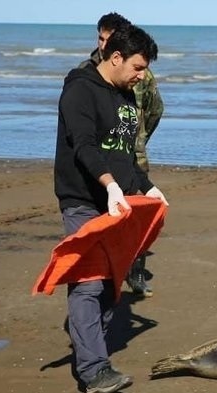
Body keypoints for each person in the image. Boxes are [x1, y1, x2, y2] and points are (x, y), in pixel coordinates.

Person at [55, 24, 167, 392]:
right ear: (115, 57)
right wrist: (111, 186)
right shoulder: (79, 90)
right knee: (87, 283)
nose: (142, 75)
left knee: (109, 284)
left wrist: (149, 188)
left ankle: (92, 347)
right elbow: (84, 146)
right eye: (137, 67)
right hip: (85, 201)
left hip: (118, 202)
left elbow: (124, 156)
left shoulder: (126, 94)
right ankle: (93, 370)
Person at [79, 12, 164, 298]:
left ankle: (135, 271)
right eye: (100, 38)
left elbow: (155, 109)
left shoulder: (140, 71)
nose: (103, 44)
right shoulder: (86, 73)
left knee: (134, 221)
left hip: (131, 155)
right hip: (99, 158)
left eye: (109, 39)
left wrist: (138, 140)